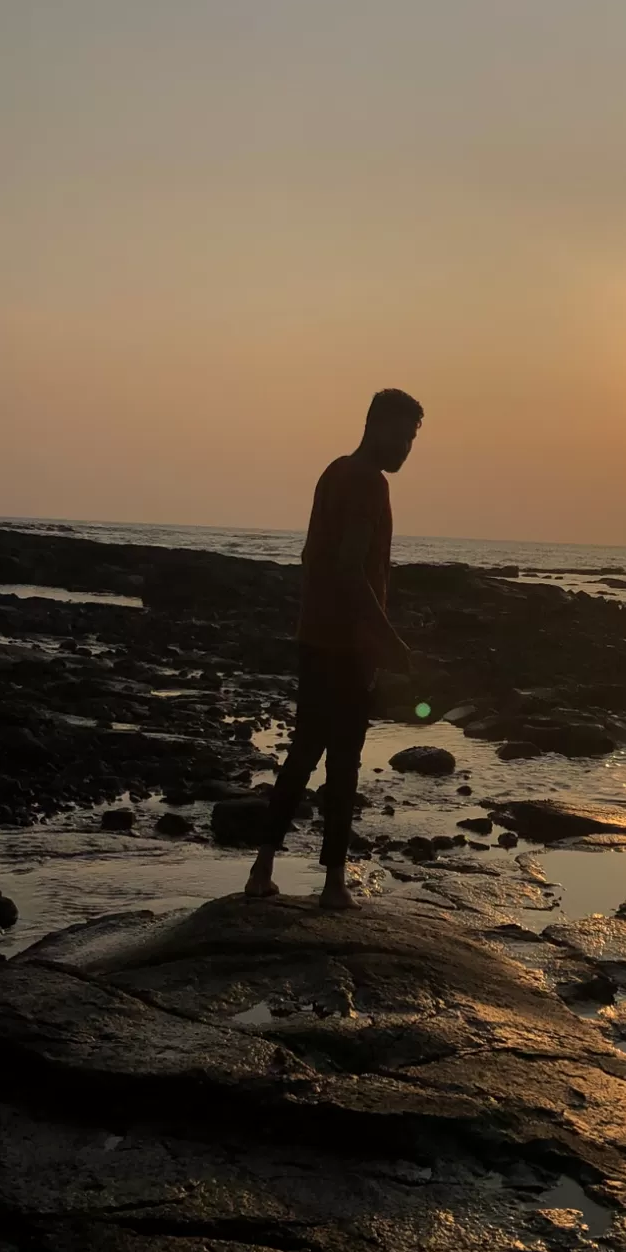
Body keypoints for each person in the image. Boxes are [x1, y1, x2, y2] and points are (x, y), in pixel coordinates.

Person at [246, 387, 423, 910]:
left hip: (316, 637)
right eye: (406, 436)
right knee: (343, 763)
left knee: (303, 753)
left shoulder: (334, 471)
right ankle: (333, 884)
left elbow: (314, 558)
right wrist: (389, 642)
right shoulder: (368, 483)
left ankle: (262, 868)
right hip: (346, 647)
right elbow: (350, 567)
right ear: (379, 426)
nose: (408, 449)